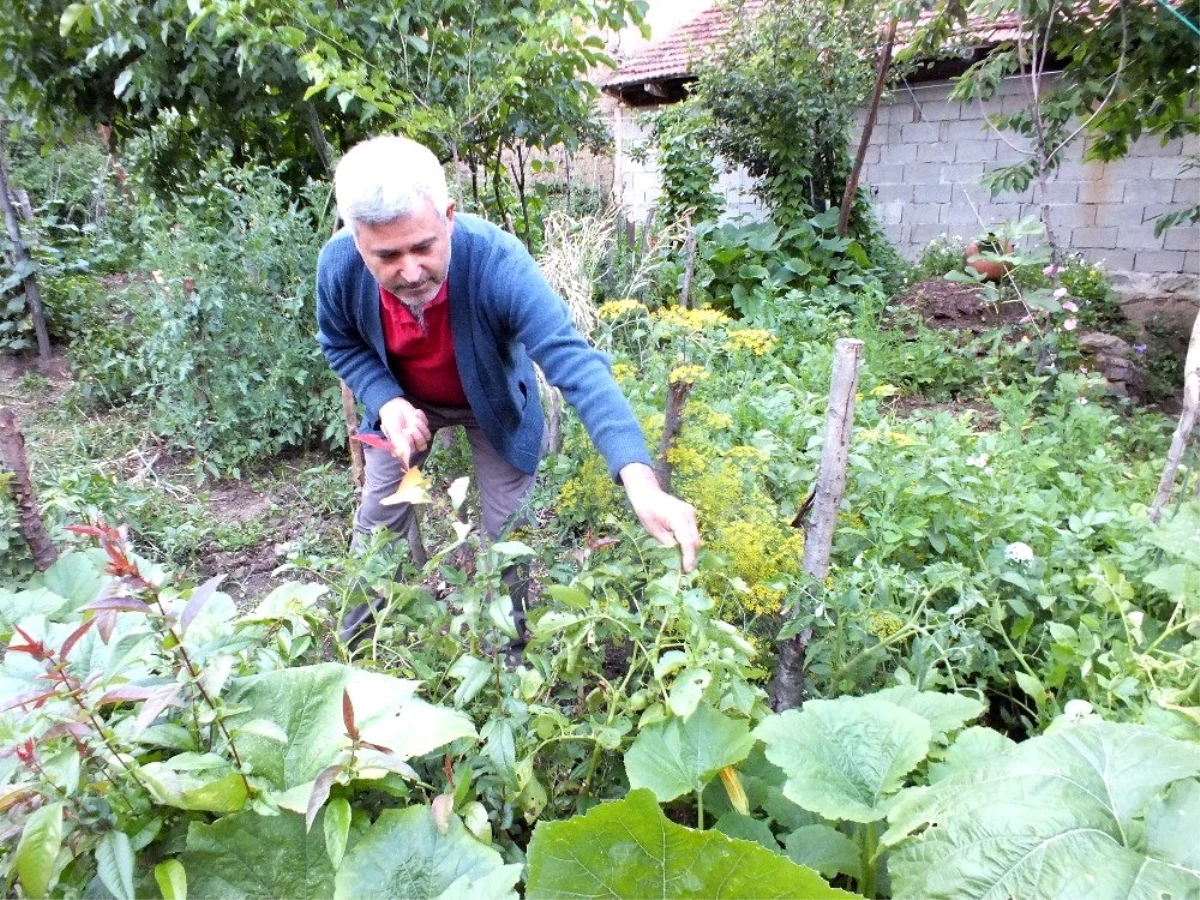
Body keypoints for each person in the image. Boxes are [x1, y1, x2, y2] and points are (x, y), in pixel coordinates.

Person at [316, 135, 699, 642]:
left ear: (448, 216)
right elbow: (340, 344)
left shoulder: (496, 262)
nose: (410, 271)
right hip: (403, 407)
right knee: (379, 522)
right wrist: (386, 399)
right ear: (355, 238)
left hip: (491, 406)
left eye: (424, 247)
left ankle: (508, 652)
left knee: (507, 531)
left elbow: (575, 364)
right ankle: (356, 650)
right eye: (387, 255)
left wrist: (641, 481)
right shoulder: (339, 266)